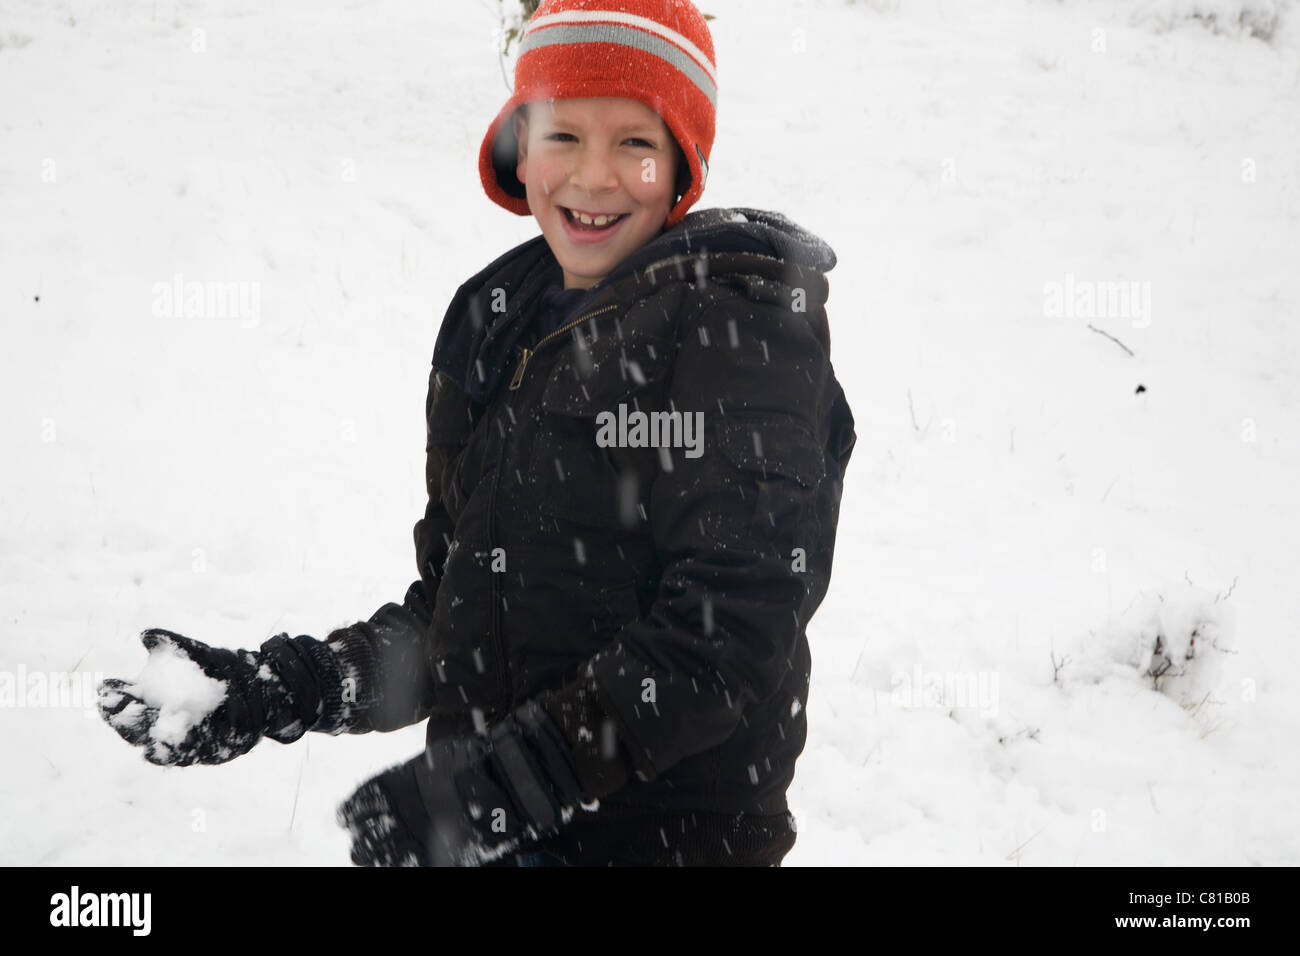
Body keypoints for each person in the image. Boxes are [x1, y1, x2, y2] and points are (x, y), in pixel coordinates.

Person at [98, 0, 857, 867]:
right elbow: (462, 623)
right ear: (518, 146)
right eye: (562, 135)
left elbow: (728, 633)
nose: (594, 177)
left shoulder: (741, 331)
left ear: (683, 165)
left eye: (636, 144)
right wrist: (287, 689)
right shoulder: (498, 324)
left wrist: (501, 788)